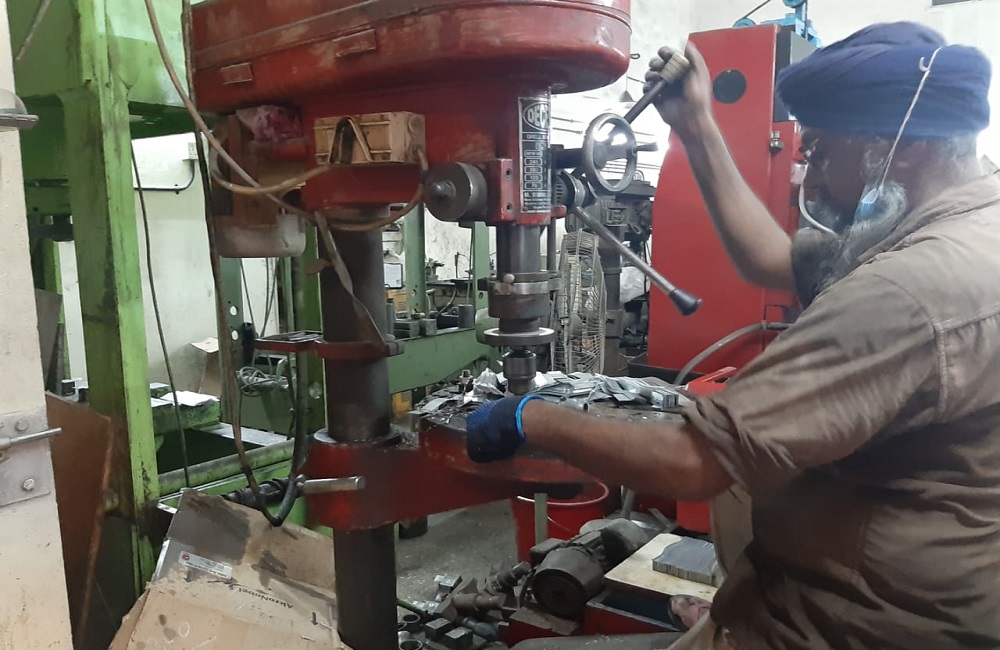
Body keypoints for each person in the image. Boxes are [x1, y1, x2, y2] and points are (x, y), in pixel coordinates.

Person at [466, 22, 1000, 650]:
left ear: (896, 148)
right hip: (838, 595)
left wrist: (532, 416)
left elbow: (693, 463)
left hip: (844, 629)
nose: (813, 182)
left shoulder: (908, 289)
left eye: (821, 152)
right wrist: (696, 124)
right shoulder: (964, 230)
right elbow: (769, 257)